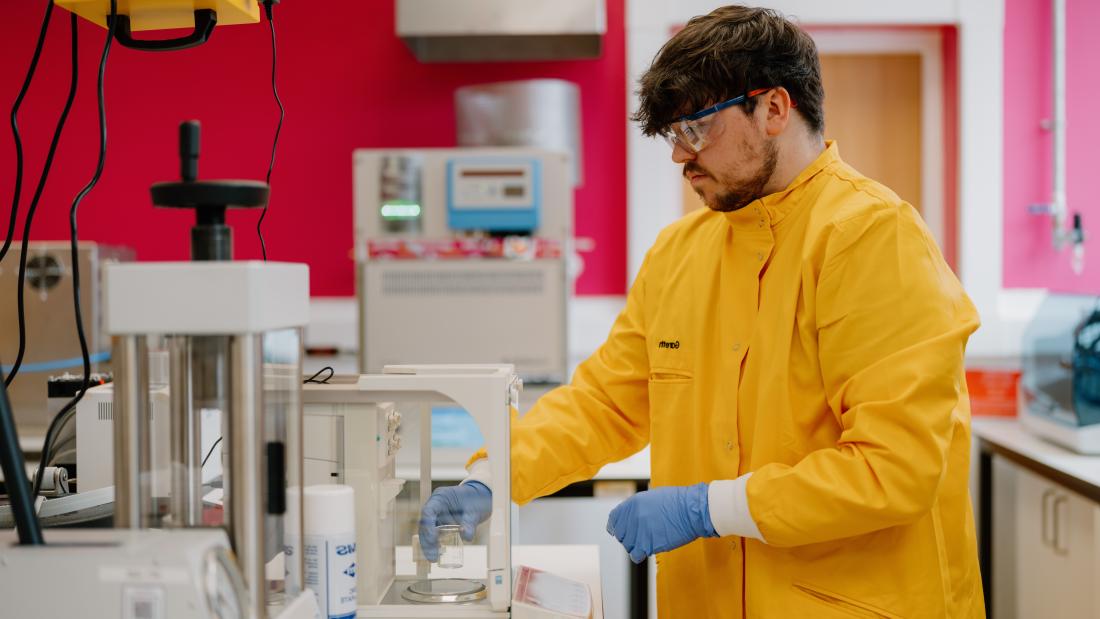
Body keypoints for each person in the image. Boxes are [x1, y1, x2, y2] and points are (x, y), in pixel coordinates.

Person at [419, 5, 984, 617]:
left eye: (696, 127)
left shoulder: (872, 237)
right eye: (673, 134)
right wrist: (491, 479)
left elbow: (895, 468)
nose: (679, 155)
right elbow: (604, 403)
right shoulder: (679, 254)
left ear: (774, 109)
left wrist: (707, 509)